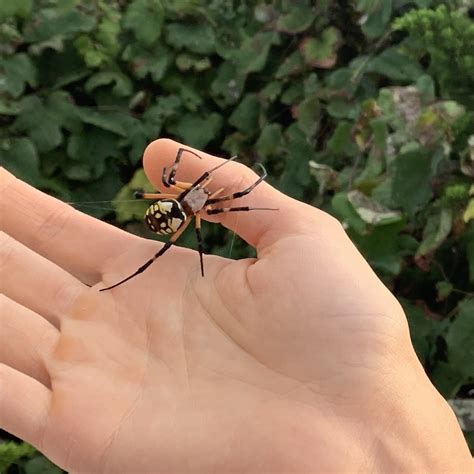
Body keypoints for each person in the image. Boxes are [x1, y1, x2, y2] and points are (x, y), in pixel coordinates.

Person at [0, 138, 472, 473]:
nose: (206, 194)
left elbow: (211, 191)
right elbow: (181, 180)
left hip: (173, 212)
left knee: (170, 235)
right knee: (168, 234)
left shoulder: (197, 201)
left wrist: (198, 176)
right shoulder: (194, 203)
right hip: (172, 212)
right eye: (199, 189)